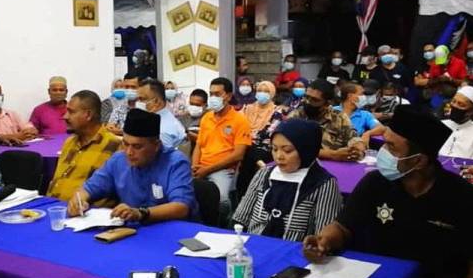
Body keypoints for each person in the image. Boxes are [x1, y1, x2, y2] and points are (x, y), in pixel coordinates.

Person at [303, 105, 473, 278]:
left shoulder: (461, 197)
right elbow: (343, 225)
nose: (383, 152)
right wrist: (324, 241)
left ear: (418, 160)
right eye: (385, 143)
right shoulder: (375, 183)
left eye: (392, 147)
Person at [68, 109, 197, 223]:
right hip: (133, 230)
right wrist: (78, 201)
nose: (129, 152)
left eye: (137, 146)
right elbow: (88, 189)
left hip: (172, 230)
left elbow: (181, 207)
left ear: (156, 145)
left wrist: (141, 213)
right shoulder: (118, 160)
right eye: (125, 144)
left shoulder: (175, 162)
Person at [233, 119, 343, 240]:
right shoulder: (264, 175)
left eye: (287, 151)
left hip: (296, 255)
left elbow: (324, 238)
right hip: (254, 248)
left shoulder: (324, 184)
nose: (279, 156)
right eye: (274, 149)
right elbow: (240, 219)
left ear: (306, 151)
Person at [192, 77, 251, 225]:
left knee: (221, 201)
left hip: (223, 170)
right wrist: (194, 166)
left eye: (218, 94)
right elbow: (199, 145)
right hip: (200, 167)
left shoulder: (240, 120)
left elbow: (238, 154)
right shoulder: (206, 118)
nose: (213, 98)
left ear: (229, 96)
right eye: (211, 94)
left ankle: (222, 227)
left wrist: (207, 169)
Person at [47, 90, 121, 202]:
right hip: (54, 208)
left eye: (71, 112)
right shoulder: (69, 142)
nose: (65, 117)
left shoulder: (114, 145)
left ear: (88, 115)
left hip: (87, 214)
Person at [289, 79, 366, 162]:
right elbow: (291, 147)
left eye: (315, 100)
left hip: (334, 168)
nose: (308, 102)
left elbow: (353, 137)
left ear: (327, 103)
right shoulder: (296, 116)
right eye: (307, 97)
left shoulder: (339, 117)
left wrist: (357, 147)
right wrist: (332, 154)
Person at [136, 78, 186, 149]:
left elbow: (160, 158)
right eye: (138, 99)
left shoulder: (161, 131)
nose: (138, 103)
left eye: (142, 99)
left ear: (156, 102)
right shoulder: (164, 117)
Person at [439, 86, 473, 159]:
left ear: (471, 111)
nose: (454, 106)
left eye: (461, 104)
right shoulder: (441, 124)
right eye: (453, 101)